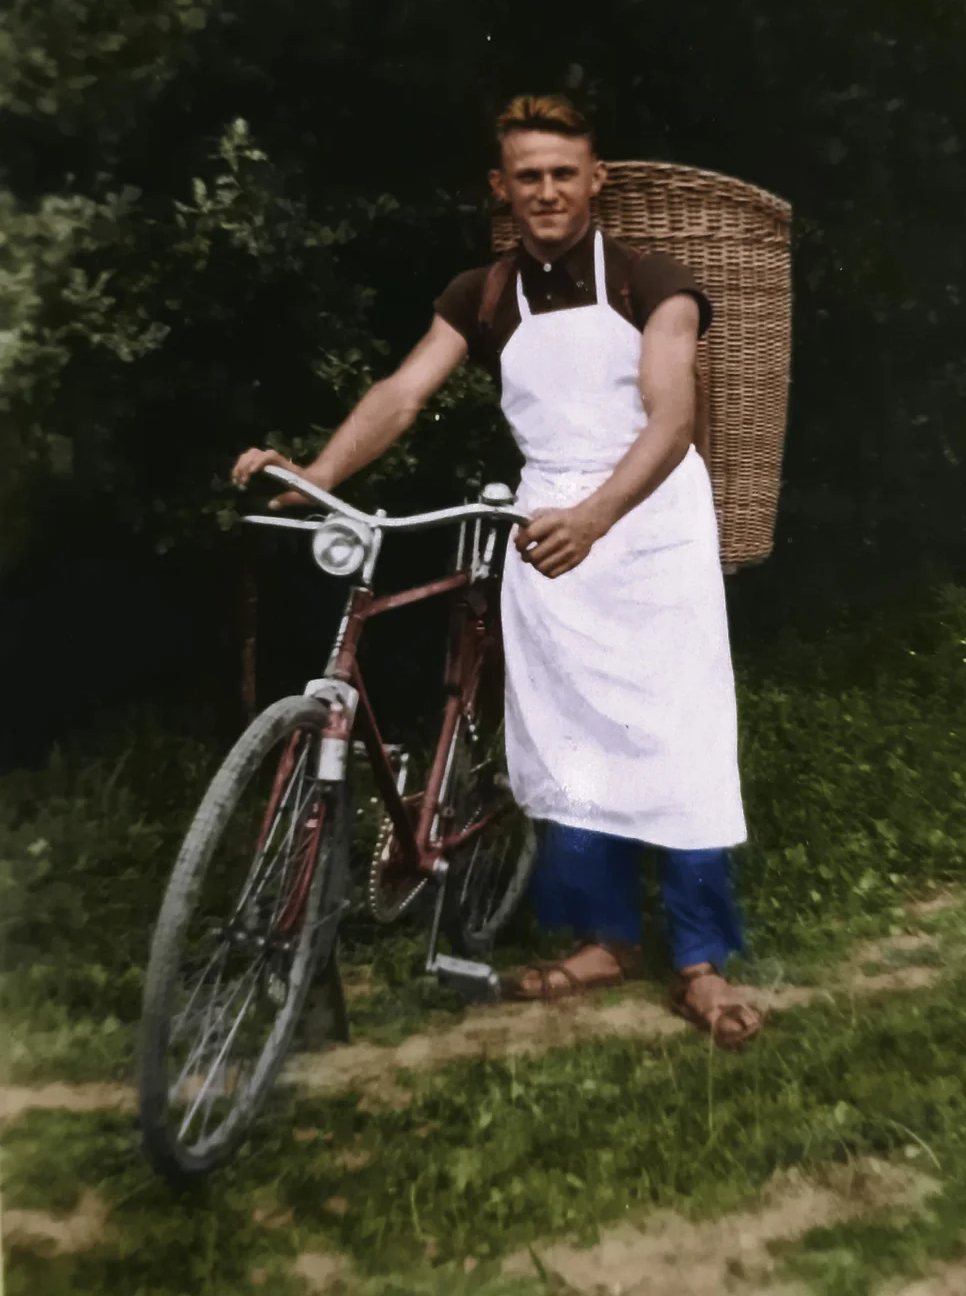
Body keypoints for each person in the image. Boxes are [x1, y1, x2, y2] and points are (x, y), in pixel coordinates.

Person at [232, 94, 761, 1047]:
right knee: (570, 743)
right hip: (547, 528)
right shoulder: (480, 295)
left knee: (681, 745)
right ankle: (605, 940)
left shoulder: (654, 279)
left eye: (565, 172)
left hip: (648, 529)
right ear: (501, 186)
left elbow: (673, 419)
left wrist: (598, 515)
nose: (548, 191)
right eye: (529, 175)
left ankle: (699, 962)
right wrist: (317, 473)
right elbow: (401, 393)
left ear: (596, 178)